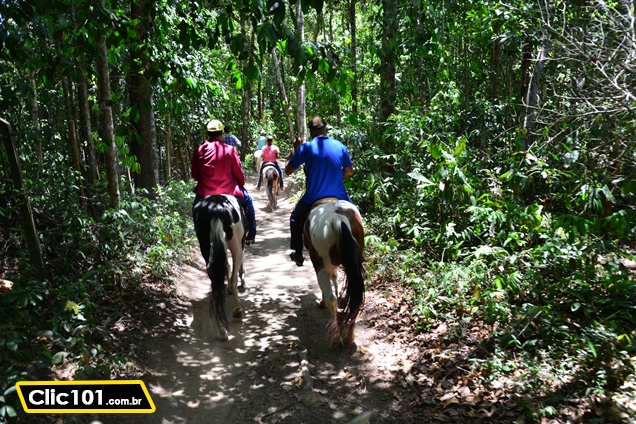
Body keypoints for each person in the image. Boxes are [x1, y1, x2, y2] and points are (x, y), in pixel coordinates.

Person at [285, 116, 354, 266]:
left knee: (295, 218)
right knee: (355, 215)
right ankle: (359, 250)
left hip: (313, 197)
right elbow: (349, 172)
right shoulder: (340, 146)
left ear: (311, 131)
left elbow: (288, 170)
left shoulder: (307, 148)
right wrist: (335, 174)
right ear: (326, 129)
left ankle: (297, 253)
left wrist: (296, 151)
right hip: (339, 195)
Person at [192, 119, 256, 244]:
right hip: (230, 191)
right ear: (221, 134)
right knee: (248, 202)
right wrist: (241, 184)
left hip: (205, 192)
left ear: (207, 134)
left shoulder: (199, 150)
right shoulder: (230, 150)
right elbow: (239, 175)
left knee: (195, 208)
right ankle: (251, 234)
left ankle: (199, 234)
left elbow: (195, 175)